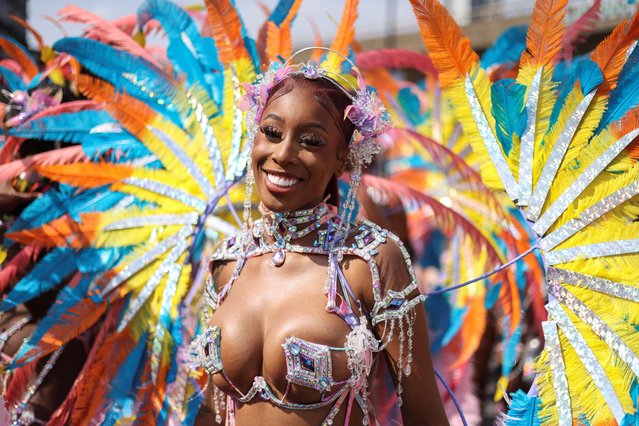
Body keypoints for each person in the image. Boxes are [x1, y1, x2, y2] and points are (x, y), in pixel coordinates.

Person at [191, 52, 448, 425]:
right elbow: (214, 410)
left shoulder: (370, 262)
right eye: (272, 133)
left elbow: (425, 417)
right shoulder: (229, 263)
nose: (283, 154)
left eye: (311, 141)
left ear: (342, 160)